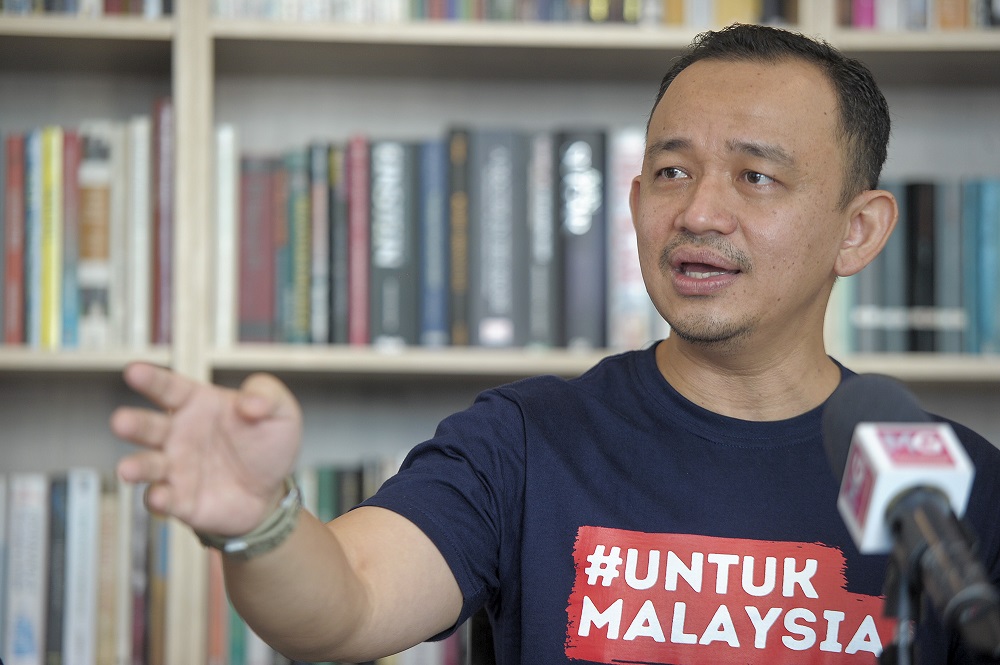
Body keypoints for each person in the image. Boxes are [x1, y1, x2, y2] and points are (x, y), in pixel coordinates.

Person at [111, 23, 1000, 664]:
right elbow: (346, 602)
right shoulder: (526, 438)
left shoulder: (955, 485)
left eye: (756, 176)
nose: (698, 212)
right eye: (671, 171)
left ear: (859, 230)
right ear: (636, 201)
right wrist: (260, 521)